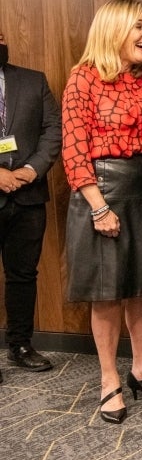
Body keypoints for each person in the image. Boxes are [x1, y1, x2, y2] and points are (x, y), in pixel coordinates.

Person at [61, 0, 142, 423]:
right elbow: (75, 151)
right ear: (114, 29)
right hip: (104, 192)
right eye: (139, 25)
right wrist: (99, 209)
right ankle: (108, 381)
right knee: (108, 291)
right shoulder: (83, 78)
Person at [0, 31, 61, 383]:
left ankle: (21, 345)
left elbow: (53, 129)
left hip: (28, 195)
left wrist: (30, 169)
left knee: (23, 275)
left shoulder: (33, 80)